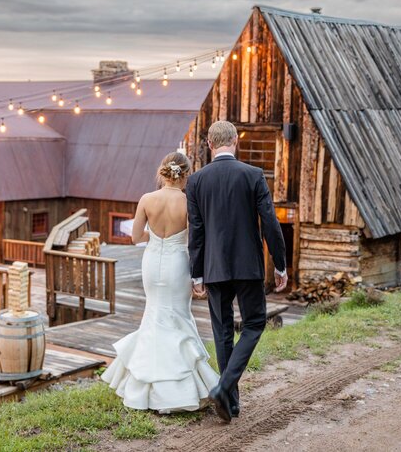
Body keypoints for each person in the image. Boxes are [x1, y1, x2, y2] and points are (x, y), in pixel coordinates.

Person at [102, 152, 219, 413]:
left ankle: (146, 387)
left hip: (152, 263)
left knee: (153, 314)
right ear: (186, 174)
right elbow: (194, 242)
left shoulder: (147, 199)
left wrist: (156, 238)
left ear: (163, 172)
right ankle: (180, 389)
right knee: (178, 316)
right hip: (178, 263)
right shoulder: (189, 202)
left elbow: (135, 238)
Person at [186, 120, 287, 422]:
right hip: (248, 267)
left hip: (214, 268)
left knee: (222, 332)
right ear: (235, 141)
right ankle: (225, 390)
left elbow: (197, 231)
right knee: (255, 324)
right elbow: (270, 223)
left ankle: (229, 400)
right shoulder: (253, 175)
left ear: (210, 144)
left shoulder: (196, 181)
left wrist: (196, 273)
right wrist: (280, 265)